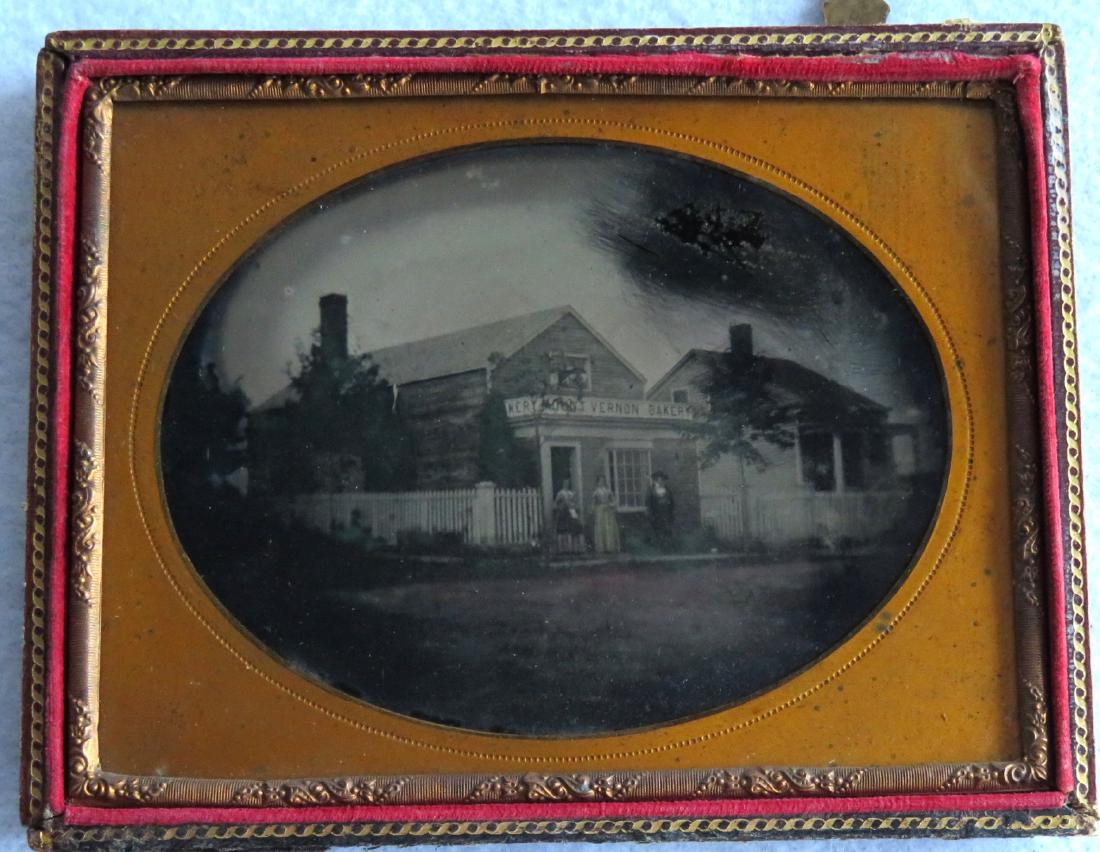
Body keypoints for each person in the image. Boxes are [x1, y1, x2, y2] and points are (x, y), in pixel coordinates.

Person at [591, 474, 621, 554]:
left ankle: (610, 546)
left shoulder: (608, 491)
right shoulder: (596, 492)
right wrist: (593, 510)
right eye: (600, 481)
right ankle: (602, 547)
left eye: (603, 481)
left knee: (609, 528)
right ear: (597, 482)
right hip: (600, 511)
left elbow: (613, 500)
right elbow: (593, 503)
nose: (602, 482)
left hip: (608, 511)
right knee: (601, 528)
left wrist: (611, 505)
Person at [646, 471, 675, 550]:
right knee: (657, 531)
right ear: (655, 480)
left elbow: (672, 503)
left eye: (662, 480)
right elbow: (648, 503)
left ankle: (667, 548)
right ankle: (657, 548)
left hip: (666, 514)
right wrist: (651, 514)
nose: (660, 481)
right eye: (658, 480)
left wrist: (671, 512)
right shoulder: (651, 491)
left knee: (667, 531)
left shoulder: (667, 490)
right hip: (656, 514)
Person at [554, 478, 585, 553]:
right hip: (563, 513)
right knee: (563, 531)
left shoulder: (571, 493)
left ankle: (574, 548)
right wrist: (561, 506)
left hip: (571, 511)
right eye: (565, 483)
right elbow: (557, 503)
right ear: (563, 484)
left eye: (568, 483)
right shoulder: (560, 493)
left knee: (575, 529)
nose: (566, 484)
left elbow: (574, 503)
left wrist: (573, 507)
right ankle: (563, 549)